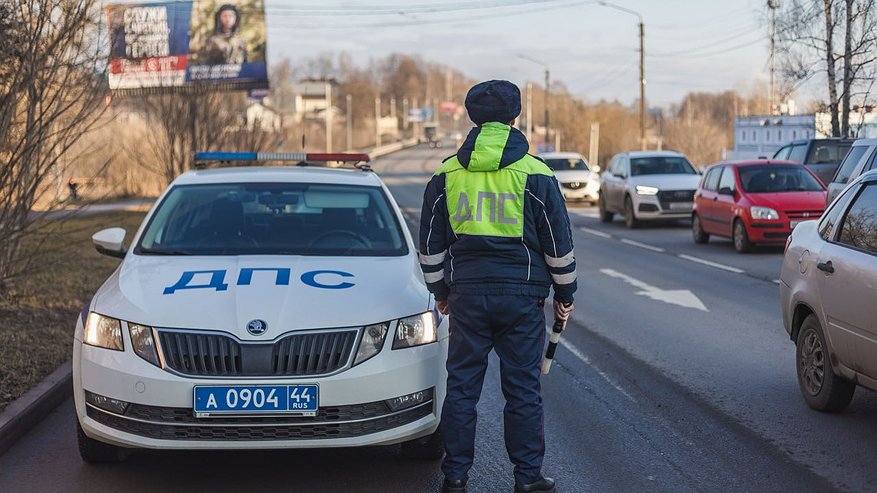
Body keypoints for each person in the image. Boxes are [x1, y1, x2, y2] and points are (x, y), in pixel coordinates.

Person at [419, 80, 576, 493]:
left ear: (472, 118)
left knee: (462, 389)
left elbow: (430, 245)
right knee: (522, 390)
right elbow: (558, 244)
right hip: (522, 299)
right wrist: (565, 294)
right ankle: (527, 478)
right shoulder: (537, 174)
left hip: (467, 297)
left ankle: (455, 476)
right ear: (514, 117)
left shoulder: (446, 174)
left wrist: (440, 292)